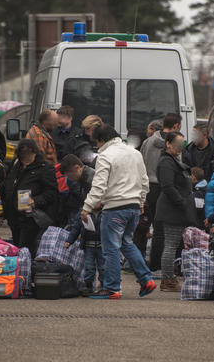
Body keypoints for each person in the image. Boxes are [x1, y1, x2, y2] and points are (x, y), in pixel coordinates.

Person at [81, 124, 155, 299]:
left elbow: (99, 185)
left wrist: (87, 207)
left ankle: (112, 288)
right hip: (134, 207)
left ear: (101, 140)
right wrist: (141, 201)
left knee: (111, 249)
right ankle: (146, 279)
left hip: (114, 208)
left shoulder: (105, 156)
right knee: (127, 243)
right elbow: (145, 181)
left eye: (96, 143)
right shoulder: (134, 153)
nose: (97, 147)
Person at [156, 132, 198, 291]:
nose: (180, 147)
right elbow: (167, 186)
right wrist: (181, 202)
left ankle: (168, 279)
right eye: (177, 144)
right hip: (172, 210)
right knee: (171, 245)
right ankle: (167, 281)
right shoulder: (166, 162)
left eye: (182, 143)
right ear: (168, 143)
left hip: (176, 209)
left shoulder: (173, 160)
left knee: (172, 245)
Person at [1, 139, 58, 257]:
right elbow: (7, 184)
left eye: (26, 155)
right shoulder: (15, 165)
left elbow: (52, 192)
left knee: (25, 249)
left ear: (34, 152)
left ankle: (26, 272)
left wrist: (35, 201)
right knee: (17, 247)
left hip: (31, 217)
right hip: (13, 215)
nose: (24, 158)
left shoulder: (45, 168)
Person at [140, 113, 182, 272]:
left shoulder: (148, 142)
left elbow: (141, 163)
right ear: (176, 126)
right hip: (166, 188)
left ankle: (152, 263)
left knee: (151, 227)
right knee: (167, 229)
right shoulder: (175, 143)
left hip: (149, 187)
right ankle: (163, 265)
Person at [65, 211, 104, 295]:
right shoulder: (83, 213)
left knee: (103, 267)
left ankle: (103, 285)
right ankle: (88, 286)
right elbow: (76, 229)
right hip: (88, 246)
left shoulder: (105, 212)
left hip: (102, 246)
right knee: (89, 267)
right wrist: (69, 241)